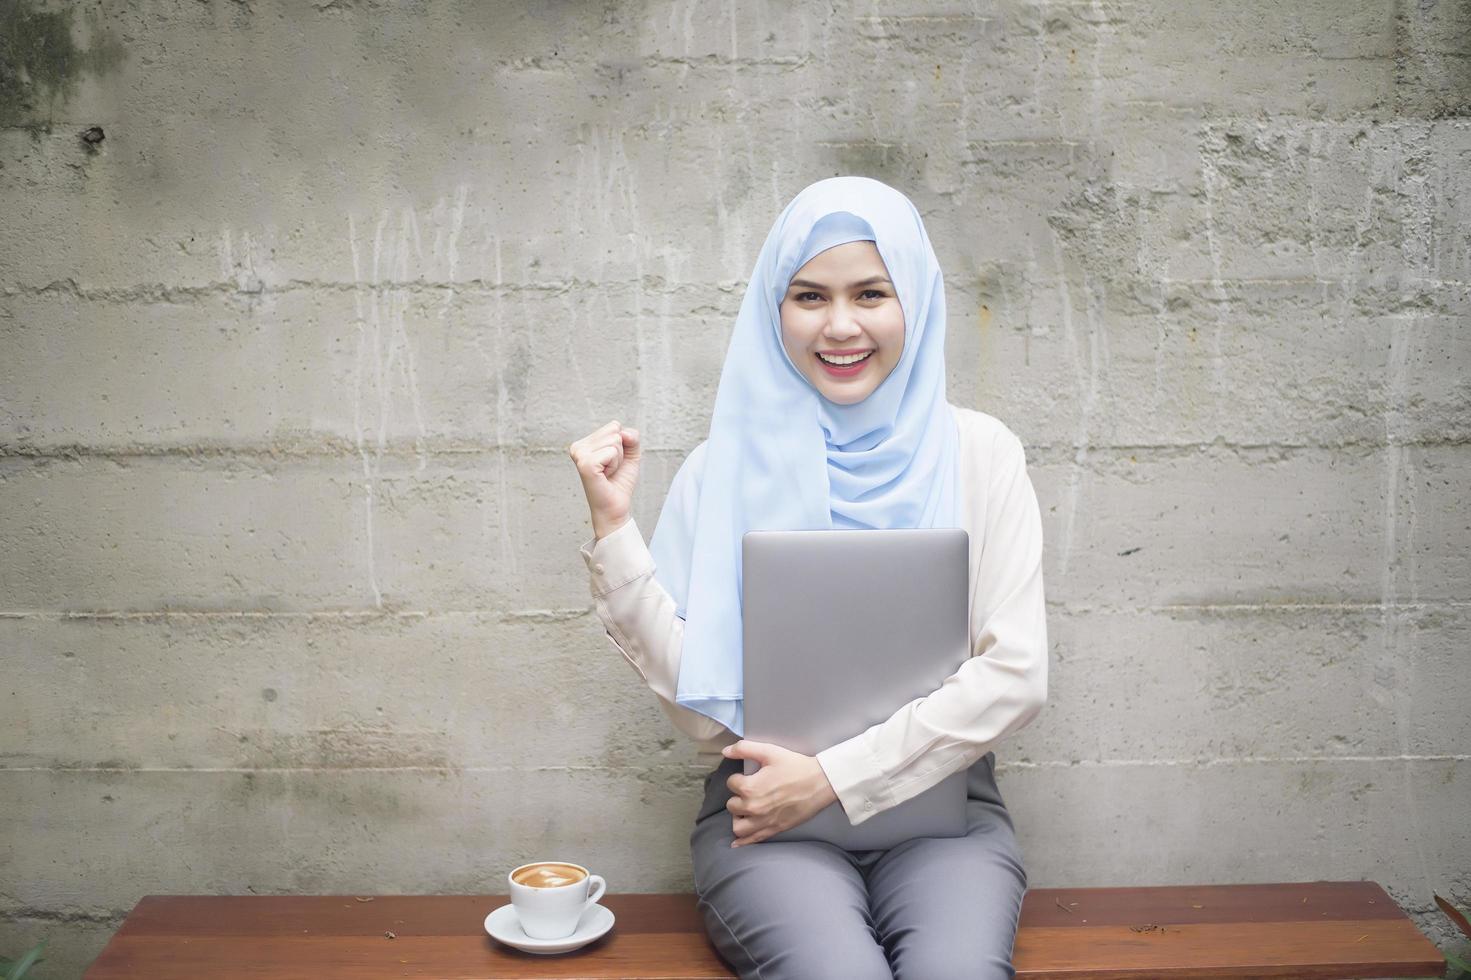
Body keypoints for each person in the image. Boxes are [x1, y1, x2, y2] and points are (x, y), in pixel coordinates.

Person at [567, 176, 1048, 979]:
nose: (840, 325)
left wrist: (832, 778)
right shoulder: (717, 470)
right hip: (762, 819)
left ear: (916, 301)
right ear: (773, 308)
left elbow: (1017, 675)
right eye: (808, 296)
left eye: (870, 293)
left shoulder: (981, 454)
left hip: (944, 814)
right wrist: (614, 530)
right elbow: (700, 719)